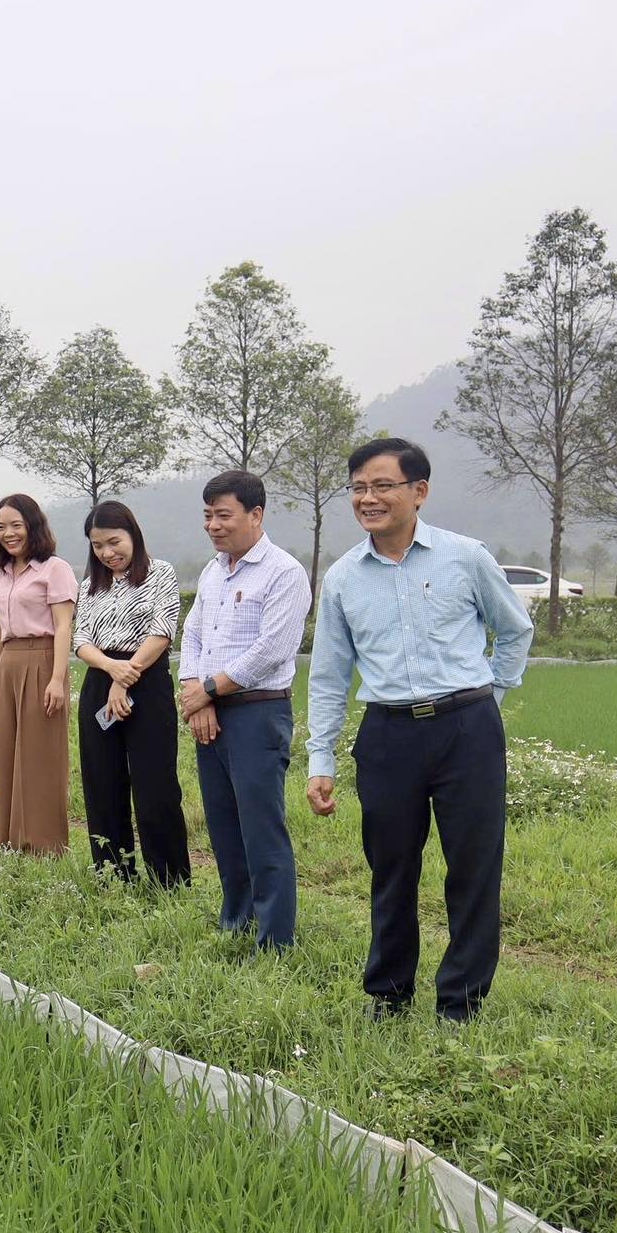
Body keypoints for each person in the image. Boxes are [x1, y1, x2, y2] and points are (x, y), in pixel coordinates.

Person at [306, 438, 533, 1023]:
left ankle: (460, 1002)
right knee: (391, 868)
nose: (368, 498)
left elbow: (514, 631)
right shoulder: (343, 578)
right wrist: (321, 760)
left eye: (382, 486)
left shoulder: (465, 557)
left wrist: (489, 696)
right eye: (358, 488)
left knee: (474, 867)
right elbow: (330, 675)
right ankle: (388, 995)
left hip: (467, 731)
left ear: (419, 492)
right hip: (387, 736)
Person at [178, 472, 312, 949]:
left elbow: (272, 649)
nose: (214, 525)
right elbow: (192, 634)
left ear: (256, 515)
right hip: (211, 710)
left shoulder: (283, 572)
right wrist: (196, 692)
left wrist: (208, 690)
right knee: (223, 824)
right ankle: (236, 919)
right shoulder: (214, 572)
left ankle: (276, 939)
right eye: (208, 516)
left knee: (261, 827)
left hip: (258, 714)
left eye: (224, 515)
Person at [74, 500, 190, 885]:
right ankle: (113, 874)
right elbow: (81, 640)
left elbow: (162, 631)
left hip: (148, 680)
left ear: (133, 535)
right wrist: (110, 671)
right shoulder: (89, 585)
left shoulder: (161, 573)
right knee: (102, 782)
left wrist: (123, 679)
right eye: (97, 545)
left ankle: (168, 880)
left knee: (155, 784)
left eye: (113, 541)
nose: (107, 553)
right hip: (100, 681)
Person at [0, 493, 78, 854]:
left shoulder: (55, 569)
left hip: (41, 660)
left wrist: (57, 678)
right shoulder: (0, 575)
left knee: (40, 755)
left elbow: (63, 627)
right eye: (1, 528)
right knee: (5, 752)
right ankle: (5, 840)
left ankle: (43, 844)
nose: (8, 534)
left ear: (33, 526)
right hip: (7, 661)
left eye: (16, 525)